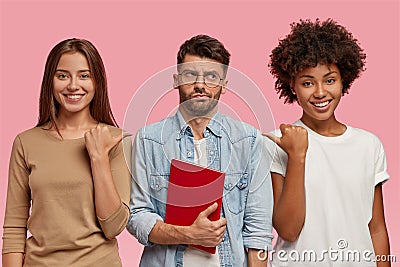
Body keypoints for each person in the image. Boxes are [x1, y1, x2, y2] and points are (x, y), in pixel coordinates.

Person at [126, 34, 273, 266]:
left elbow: (258, 231)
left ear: (224, 85)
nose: (200, 85)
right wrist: (188, 234)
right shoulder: (148, 140)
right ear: (176, 80)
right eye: (191, 75)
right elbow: (136, 216)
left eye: (211, 76)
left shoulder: (249, 140)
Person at [266, 19, 391, 266]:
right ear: (292, 85)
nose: (320, 92)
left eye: (330, 80)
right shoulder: (278, 142)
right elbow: (288, 230)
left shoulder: (368, 145)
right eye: (307, 82)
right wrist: (297, 156)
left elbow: (376, 228)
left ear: (344, 80)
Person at [2, 38, 131, 267]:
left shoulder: (117, 140)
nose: (73, 85)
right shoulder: (26, 142)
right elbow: (14, 227)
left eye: (84, 75)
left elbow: (114, 226)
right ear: (50, 81)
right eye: (62, 76)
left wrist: (98, 157)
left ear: (97, 82)